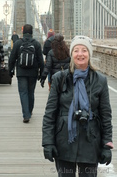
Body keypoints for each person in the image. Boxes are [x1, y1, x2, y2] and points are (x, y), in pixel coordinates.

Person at [42, 35, 113, 177]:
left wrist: (107, 145)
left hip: (90, 141)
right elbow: (50, 113)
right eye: (76, 50)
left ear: (89, 54)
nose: (80, 54)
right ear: (71, 54)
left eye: (84, 50)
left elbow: (106, 116)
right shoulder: (59, 79)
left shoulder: (100, 81)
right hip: (64, 140)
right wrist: (48, 143)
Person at [9, 24, 44, 123]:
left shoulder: (18, 43)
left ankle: (26, 114)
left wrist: (10, 70)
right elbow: (41, 60)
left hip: (21, 72)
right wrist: (42, 73)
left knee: (23, 92)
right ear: (32, 32)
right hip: (33, 72)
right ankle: (29, 111)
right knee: (31, 92)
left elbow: (12, 58)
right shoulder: (36, 44)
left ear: (23, 31)